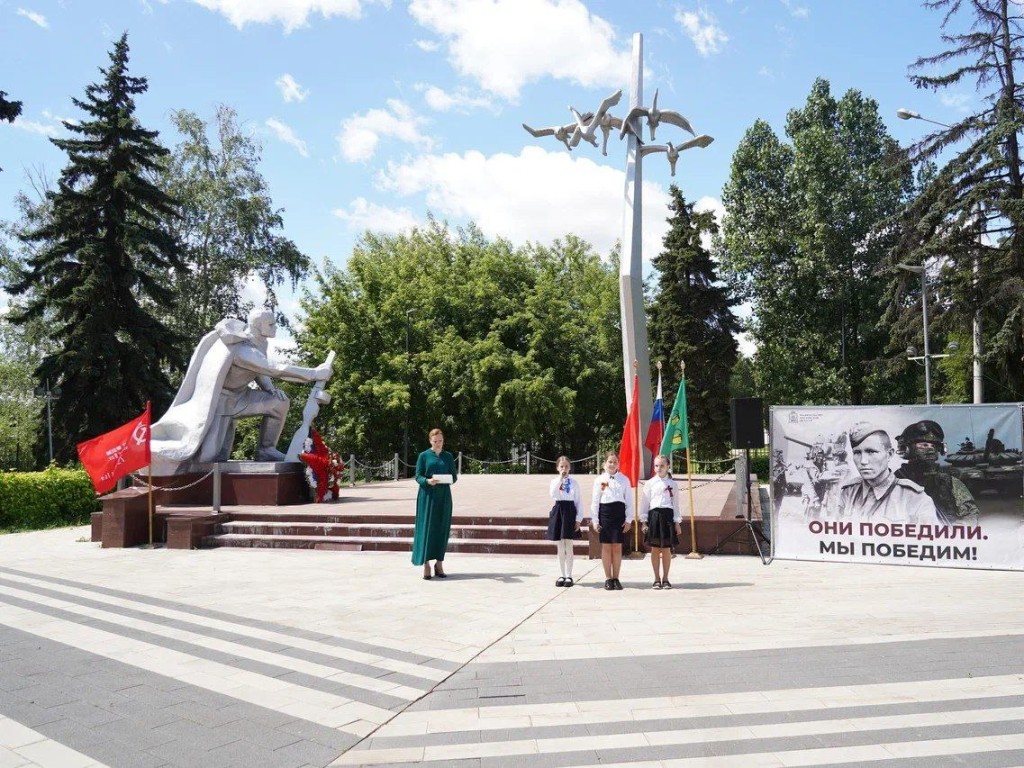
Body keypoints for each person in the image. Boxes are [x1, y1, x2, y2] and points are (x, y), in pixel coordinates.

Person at [151, 308, 333, 472]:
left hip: (242, 398)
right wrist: (315, 373)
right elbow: (273, 368)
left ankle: (266, 450)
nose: (275, 327)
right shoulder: (243, 349)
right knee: (209, 458)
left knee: (279, 402)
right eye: (271, 324)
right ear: (257, 326)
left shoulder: (259, 343)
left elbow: (259, 370)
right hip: (220, 404)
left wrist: (269, 388)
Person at [837, 422, 939, 524]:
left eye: (871, 452)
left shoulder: (915, 499)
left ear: (889, 454)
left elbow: (931, 538)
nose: (863, 461)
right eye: (857, 452)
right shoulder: (848, 492)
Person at [895, 420, 979, 525]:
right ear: (906, 449)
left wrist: (958, 529)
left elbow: (970, 513)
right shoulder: (894, 482)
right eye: (924, 445)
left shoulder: (949, 482)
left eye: (933, 446)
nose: (930, 449)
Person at [412, 428, 458, 580]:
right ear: (430, 441)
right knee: (426, 529)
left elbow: (454, 477)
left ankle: (439, 563)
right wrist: (427, 481)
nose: (438, 444)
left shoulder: (448, 456)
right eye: (435, 441)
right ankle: (425, 563)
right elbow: (418, 476)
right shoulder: (424, 456)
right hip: (427, 497)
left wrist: (447, 479)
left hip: (444, 497)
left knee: (441, 529)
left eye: (440, 441)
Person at [590, 452, 633, 591]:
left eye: (615, 462)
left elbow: (629, 502)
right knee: (607, 547)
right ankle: (608, 578)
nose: (612, 464)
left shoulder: (624, 480)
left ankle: (616, 578)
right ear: (604, 464)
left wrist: (628, 520)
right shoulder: (600, 480)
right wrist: (595, 521)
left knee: (617, 547)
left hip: (619, 514)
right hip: (605, 514)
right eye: (610, 462)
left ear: (618, 464)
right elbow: (595, 501)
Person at [640, 454, 682, 589]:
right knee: (655, 549)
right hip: (654, 516)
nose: (659, 468)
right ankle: (656, 578)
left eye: (662, 465)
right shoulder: (650, 483)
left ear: (668, 466)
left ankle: (666, 578)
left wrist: (677, 522)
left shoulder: (673, 484)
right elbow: (645, 503)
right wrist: (644, 521)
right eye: (656, 465)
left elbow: (676, 504)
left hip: (668, 517)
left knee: (666, 550)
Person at [547, 456, 583, 587]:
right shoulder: (554, 481)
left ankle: (569, 575)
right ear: (557, 468)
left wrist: (578, 519)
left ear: (570, 468)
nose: (564, 469)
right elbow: (553, 493)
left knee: (569, 545)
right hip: (559, 511)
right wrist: (560, 479)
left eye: (566, 466)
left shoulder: (574, 483)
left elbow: (579, 502)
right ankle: (561, 574)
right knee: (560, 546)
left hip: (570, 512)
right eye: (562, 466)